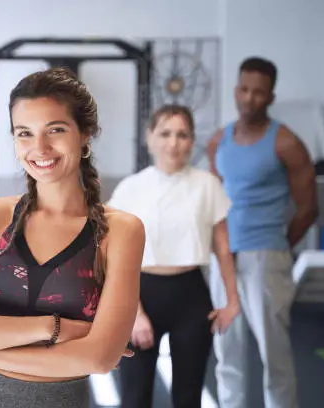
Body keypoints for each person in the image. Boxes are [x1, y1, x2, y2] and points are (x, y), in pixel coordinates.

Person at [0, 67, 145, 408]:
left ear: (85, 133)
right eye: (24, 133)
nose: (39, 147)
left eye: (55, 129)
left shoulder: (121, 231)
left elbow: (99, 358)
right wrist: (53, 328)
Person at [108, 104, 240, 408]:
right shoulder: (131, 188)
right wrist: (134, 313)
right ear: (150, 138)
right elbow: (113, 255)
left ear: (192, 141)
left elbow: (223, 247)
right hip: (140, 293)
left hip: (191, 294)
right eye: (165, 133)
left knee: (188, 398)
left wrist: (232, 301)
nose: (173, 142)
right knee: (135, 397)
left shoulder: (207, 185)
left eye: (182, 135)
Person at [207, 57, 318, 408]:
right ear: (236, 90)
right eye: (244, 89)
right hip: (223, 257)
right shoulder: (217, 141)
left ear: (270, 98)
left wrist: (277, 247)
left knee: (275, 355)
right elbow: (215, 199)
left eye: (258, 92)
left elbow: (308, 209)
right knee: (227, 352)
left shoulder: (286, 143)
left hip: (265, 257)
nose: (249, 98)